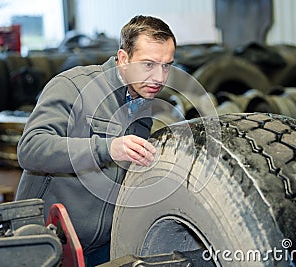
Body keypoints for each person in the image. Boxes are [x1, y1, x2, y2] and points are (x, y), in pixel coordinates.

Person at [15, 15, 176, 266]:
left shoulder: (144, 105)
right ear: (124, 58)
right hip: (47, 243)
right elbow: (30, 149)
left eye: (166, 66)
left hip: (103, 247)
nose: (159, 77)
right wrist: (107, 148)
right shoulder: (73, 86)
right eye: (148, 65)